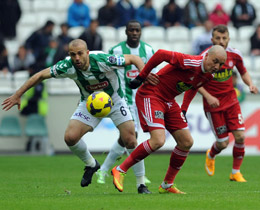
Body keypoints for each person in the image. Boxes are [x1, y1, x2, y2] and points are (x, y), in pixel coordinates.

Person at [2, 39, 158, 189]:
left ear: (87, 53)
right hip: (89, 103)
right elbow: (40, 75)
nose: (76, 58)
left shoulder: (102, 59)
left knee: (130, 140)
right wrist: (18, 94)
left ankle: (140, 184)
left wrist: (143, 75)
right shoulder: (67, 65)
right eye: (72, 54)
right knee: (70, 137)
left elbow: (133, 58)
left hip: (115, 101)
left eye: (80, 53)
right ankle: (91, 164)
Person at [111, 44, 227, 194]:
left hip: (169, 101)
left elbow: (192, 88)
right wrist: (142, 75)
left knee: (186, 142)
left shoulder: (208, 76)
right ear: (207, 56)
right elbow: (161, 54)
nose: (217, 66)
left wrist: (184, 109)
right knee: (158, 140)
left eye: (221, 64)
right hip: (151, 94)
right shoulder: (190, 62)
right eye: (215, 61)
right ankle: (120, 169)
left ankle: (167, 184)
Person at [181, 25, 258, 182]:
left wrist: (250, 83)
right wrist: (208, 96)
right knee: (223, 143)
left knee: (241, 137)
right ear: (212, 40)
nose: (221, 41)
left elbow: (242, 71)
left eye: (224, 38)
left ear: (229, 39)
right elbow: (194, 82)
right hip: (214, 106)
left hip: (231, 102)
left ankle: (235, 172)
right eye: (218, 38)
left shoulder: (234, 54)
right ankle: (211, 154)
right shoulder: (204, 57)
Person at [96, 20, 156, 193]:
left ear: (141, 32)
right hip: (124, 99)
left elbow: (153, 73)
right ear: (126, 32)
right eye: (131, 30)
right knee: (132, 137)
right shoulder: (115, 51)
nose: (134, 33)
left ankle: (103, 170)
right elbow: (106, 71)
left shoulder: (149, 51)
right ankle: (138, 179)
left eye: (137, 30)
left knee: (126, 139)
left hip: (143, 100)